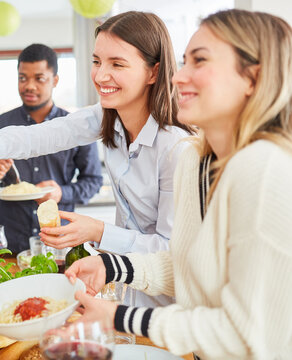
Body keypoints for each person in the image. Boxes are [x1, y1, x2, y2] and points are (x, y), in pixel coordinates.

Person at [0, 11, 193, 307]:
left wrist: (98, 231)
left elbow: (170, 249)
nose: (101, 76)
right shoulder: (108, 118)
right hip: (123, 288)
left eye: (117, 64)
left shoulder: (176, 148)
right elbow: (37, 136)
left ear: (153, 72)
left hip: (167, 303)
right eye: (97, 61)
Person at [65, 9, 292, 359]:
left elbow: (246, 335)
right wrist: (113, 266)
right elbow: (190, 267)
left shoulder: (263, 169)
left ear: (252, 77)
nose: (178, 76)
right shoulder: (195, 161)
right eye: (183, 61)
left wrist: (121, 318)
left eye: (198, 61)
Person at [0, 44, 102, 254]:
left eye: (39, 78)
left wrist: (62, 193)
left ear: (55, 80)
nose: (29, 86)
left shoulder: (76, 127)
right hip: (9, 240)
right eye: (23, 78)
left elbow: (93, 182)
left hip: (59, 237)